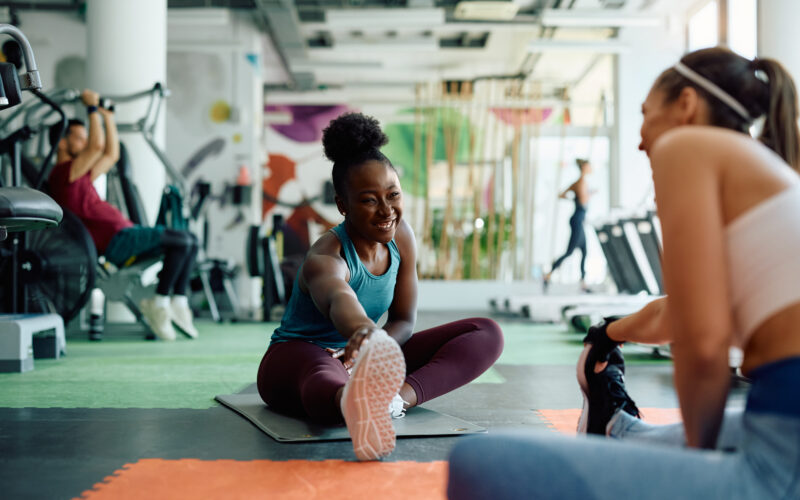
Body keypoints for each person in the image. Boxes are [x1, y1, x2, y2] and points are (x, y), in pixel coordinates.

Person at [448, 47, 800, 499]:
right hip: (780, 424)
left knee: (480, 462)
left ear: (687, 104)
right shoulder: (769, 174)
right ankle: (617, 428)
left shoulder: (688, 146)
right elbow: (677, 315)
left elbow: (703, 343)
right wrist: (609, 334)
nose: (639, 140)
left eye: (644, 114)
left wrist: (694, 468)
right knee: (655, 439)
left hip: (783, 453)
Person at [257, 112, 504, 461]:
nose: (387, 210)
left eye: (393, 195)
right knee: (322, 373)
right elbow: (338, 297)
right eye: (370, 200)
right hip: (297, 358)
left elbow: (403, 320)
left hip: (366, 354)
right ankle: (349, 401)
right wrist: (363, 334)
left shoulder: (401, 238)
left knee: (486, 332)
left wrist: (373, 347)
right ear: (343, 205)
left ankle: (391, 402)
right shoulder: (326, 256)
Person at [48, 89, 199, 341]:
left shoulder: (79, 175)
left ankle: (177, 301)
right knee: (183, 240)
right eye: (78, 138)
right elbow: (97, 146)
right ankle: (159, 302)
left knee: (190, 242)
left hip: (126, 235)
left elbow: (110, 154)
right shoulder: (62, 174)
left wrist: (107, 116)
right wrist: (92, 109)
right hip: (117, 242)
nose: (85, 144)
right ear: (62, 143)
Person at [543, 158, 593, 293]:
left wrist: (574, 198)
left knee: (584, 251)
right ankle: (548, 274)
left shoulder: (579, 182)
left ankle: (583, 283)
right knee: (570, 252)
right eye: (589, 166)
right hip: (577, 219)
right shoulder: (581, 183)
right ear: (584, 168)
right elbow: (582, 200)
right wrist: (583, 196)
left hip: (579, 219)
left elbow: (563, 195)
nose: (591, 168)